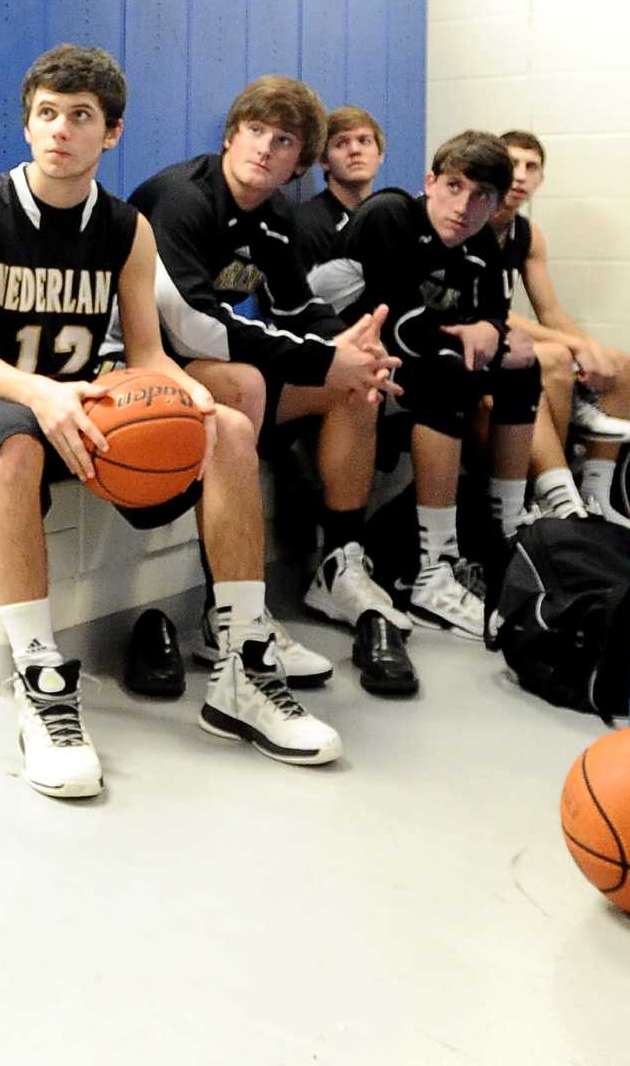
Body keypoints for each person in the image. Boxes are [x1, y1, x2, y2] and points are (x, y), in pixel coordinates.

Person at [0, 44, 345, 796]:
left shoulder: (127, 229)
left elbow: (148, 353)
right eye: (46, 114)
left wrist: (194, 400)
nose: (60, 130)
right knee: (17, 448)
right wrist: (40, 394)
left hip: (85, 397)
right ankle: (40, 676)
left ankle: (241, 668)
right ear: (27, 126)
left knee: (232, 429)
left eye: (79, 117)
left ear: (110, 134)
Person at [129, 78, 415, 699]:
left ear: (299, 163)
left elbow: (297, 307)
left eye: (283, 140)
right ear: (231, 136)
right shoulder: (183, 198)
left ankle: (338, 566)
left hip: (196, 360)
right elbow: (192, 324)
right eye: (255, 131)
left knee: (354, 388)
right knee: (246, 385)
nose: (264, 147)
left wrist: (353, 346)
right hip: (132, 360)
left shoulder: (275, 217)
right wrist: (321, 357)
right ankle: (226, 613)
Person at [336, 133, 543, 637]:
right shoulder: (391, 216)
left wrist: (490, 330)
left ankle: (507, 530)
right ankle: (435, 564)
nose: (464, 207)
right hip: (342, 352)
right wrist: (479, 336)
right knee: (449, 370)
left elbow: (495, 311)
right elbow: (398, 323)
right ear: (429, 182)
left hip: (410, 357)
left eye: (483, 198)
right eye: (454, 187)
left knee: (526, 365)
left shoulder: (480, 243)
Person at [492, 130, 630, 527]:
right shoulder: (470, 219)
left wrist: (589, 348)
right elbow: (490, 313)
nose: (520, 176)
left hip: (504, 338)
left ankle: (596, 499)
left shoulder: (527, 233)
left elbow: (550, 311)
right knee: (555, 357)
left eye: (532, 167)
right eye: (512, 164)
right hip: (478, 339)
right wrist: (572, 344)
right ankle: (557, 497)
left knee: (620, 364)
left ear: (542, 178)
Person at [292, 103, 385, 272]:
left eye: (364, 141)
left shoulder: (389, 223)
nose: (355, 150)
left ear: (380, 155)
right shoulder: (304, 226)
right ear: (324, 161)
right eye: (341, 143)